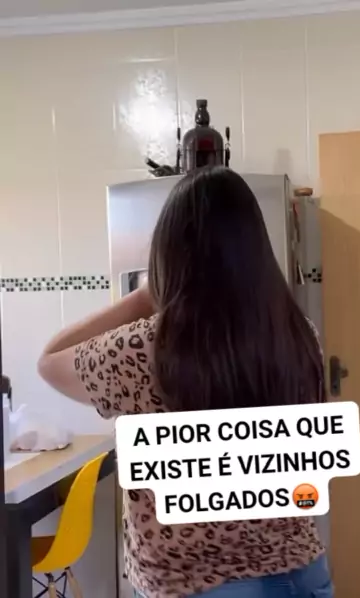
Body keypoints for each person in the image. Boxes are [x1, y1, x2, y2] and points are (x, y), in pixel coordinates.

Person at [38, 166, 332, 598]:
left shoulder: (143, 348)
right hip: (300, 571)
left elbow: (50, 362)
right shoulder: (298, 335)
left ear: (170, 254)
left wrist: (147, 294)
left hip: (191, 584)